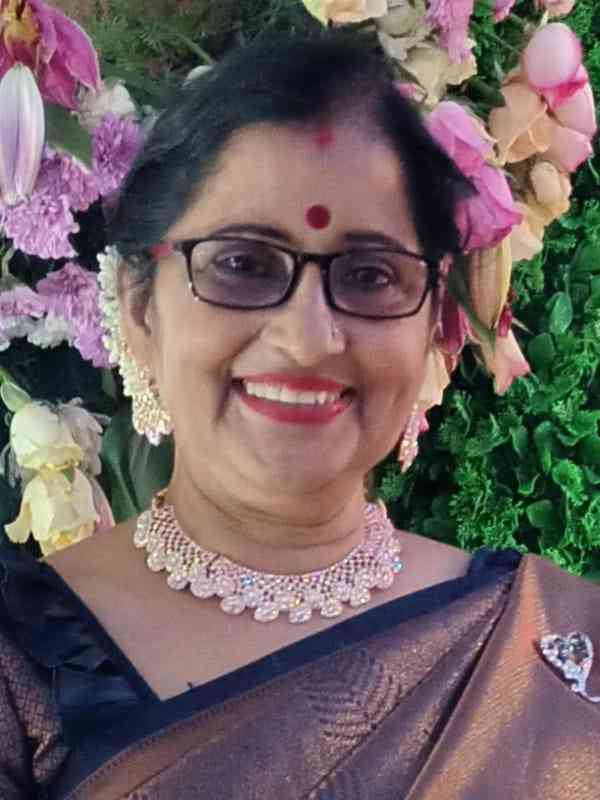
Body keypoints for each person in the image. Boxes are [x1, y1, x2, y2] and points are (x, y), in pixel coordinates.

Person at [1, 32, 599, 800]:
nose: (309, 337)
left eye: (371, 274)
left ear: (431, 321)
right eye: (243, 264)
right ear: (140, 309)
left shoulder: (542, 647)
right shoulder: (22, 666)